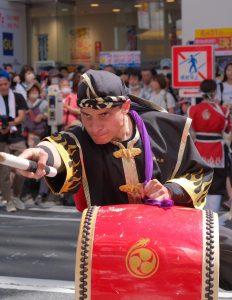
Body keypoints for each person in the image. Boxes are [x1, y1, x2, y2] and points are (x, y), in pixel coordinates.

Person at [14, 70, 232, 290]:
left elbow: (198, 174)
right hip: (115, 240)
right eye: (86, 115)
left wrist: (170, 191)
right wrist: (41, 152)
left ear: (126, 106)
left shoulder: (166, 129)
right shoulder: (82, 141)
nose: (94, 126)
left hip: (172, 229)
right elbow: (59, 147)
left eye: (104, 115)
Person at [188, 79, 232, 212]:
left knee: (199, 181)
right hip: (218, 150)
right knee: (217, 183)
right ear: (214, 92)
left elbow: (190, 131)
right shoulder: (223, 110)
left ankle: (200, 214)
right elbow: (227, 130)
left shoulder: (193, 109)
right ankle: (214, 216)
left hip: (198, 150)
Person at [0, 70, 28, 212]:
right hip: (1, 140)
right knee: (4, 172)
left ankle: (16, 196)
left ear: (9, 83)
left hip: (16, 137)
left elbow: (21, 117)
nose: (3, 87)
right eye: (0, 85)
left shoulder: (18, 97)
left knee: (22, 167)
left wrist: (9, 125)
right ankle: (8, 200)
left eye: (5, 84)